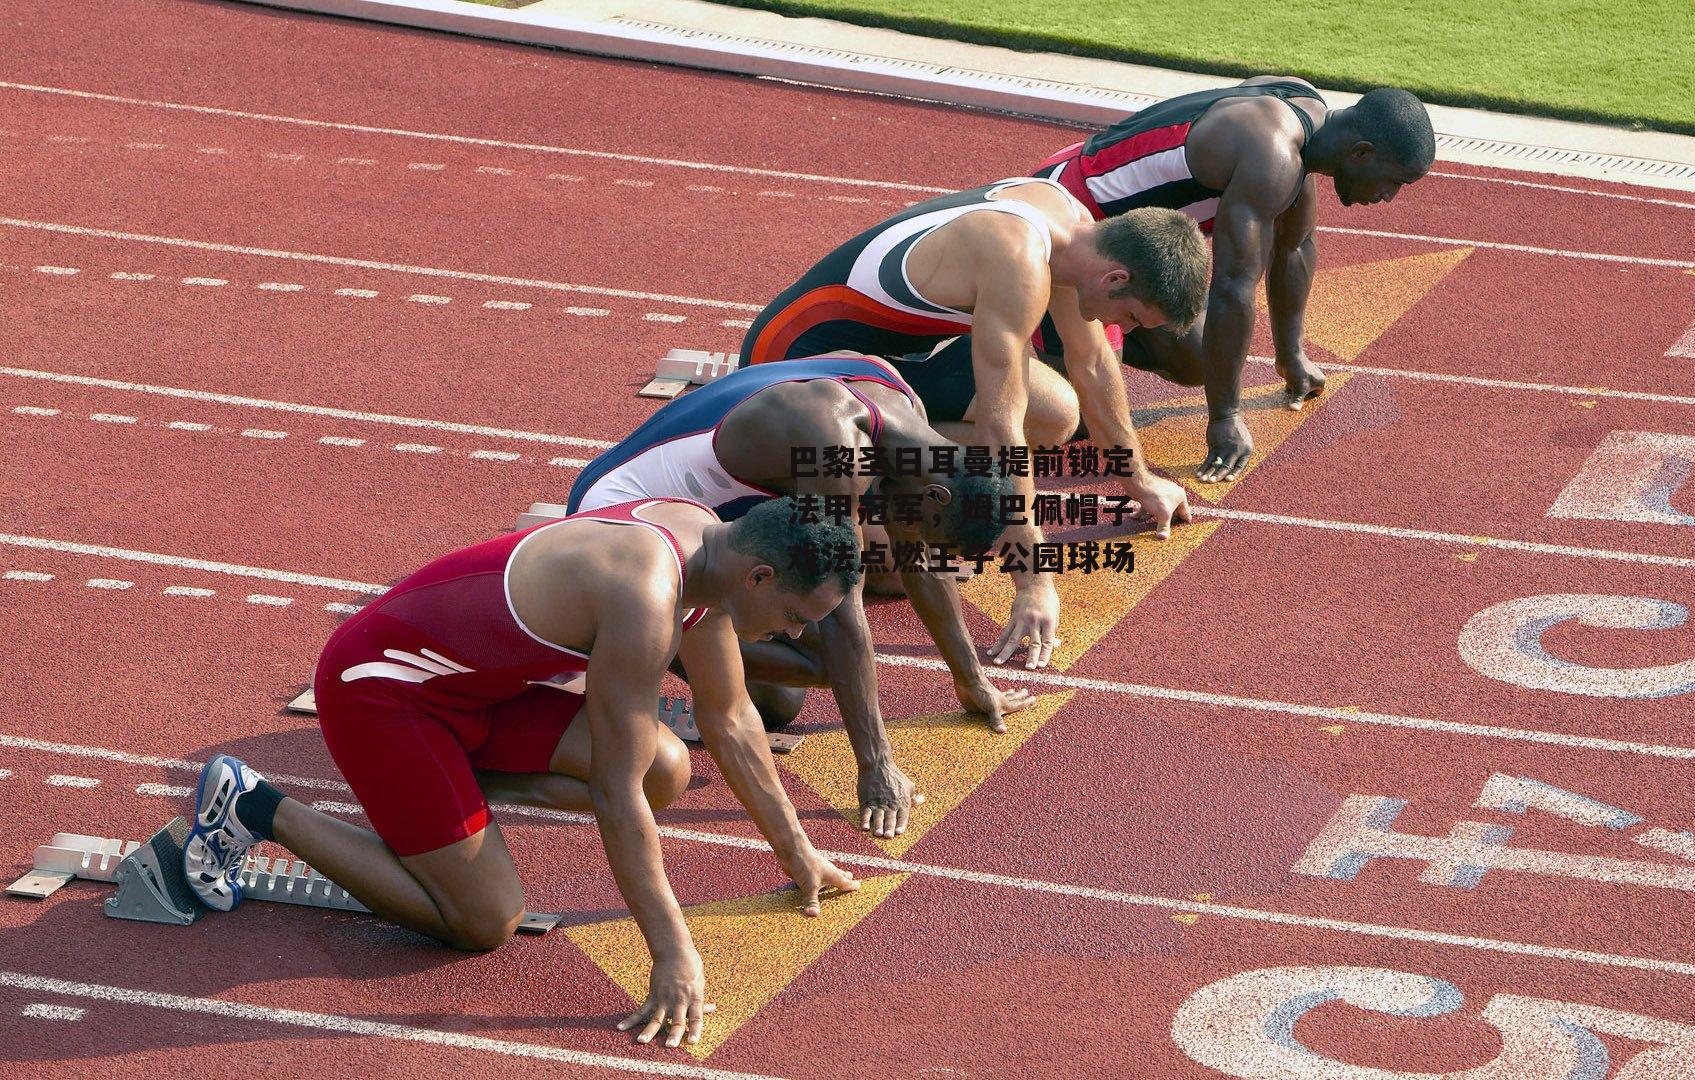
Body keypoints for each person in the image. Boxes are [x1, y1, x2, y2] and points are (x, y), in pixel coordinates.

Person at [182, 496, 862, 1050]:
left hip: (473, 695)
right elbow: (613, 793)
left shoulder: (708, 549)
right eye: (798, 619)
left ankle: (436, 808)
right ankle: (255, 806)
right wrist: (672, 953)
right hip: (382, 692)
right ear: (760, 578)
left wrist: (797, 854)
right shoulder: (646, 596)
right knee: (485, 920)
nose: (797, 636)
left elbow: (734, 718)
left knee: (667, 767)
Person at [739, 176, 1209, 666]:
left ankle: (891, 463)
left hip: (890, 355)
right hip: (793, 361)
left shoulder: (1077, 233)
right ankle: (872, 476)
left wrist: (1137, 479)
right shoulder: (1019, 259)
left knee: (1055, 413)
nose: (1124, 331)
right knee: (890, 568)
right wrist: (1034, 581)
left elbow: (1091, 362)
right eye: (1131, 317)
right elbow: (1000, 434)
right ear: (1115, 279)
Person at [567, 352, 1036, 839]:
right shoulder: (836, 453)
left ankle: (678, 645)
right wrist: (876, 767)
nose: (911, 543)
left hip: (692, 517)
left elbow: (915, 556)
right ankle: (642, 648)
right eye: (927, 531)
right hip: (618, 517)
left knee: (788, 696)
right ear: (936, 496)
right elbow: (841, 612)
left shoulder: (904, 413)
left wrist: (972, 680)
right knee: (817, 668)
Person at [1034, 82, 1435, 482]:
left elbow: (1294, 245)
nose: (1388, 197)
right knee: (1075, 418)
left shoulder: (1305, 115)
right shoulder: (1272, 155)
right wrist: (1225, 417)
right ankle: (1018, 338)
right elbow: (1232, 286)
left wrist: (1291, 355)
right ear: (1361, 153)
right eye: (1393, 182)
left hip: (1114, 234)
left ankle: (1081, 338)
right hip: (1071, 219)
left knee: (1197, 355)